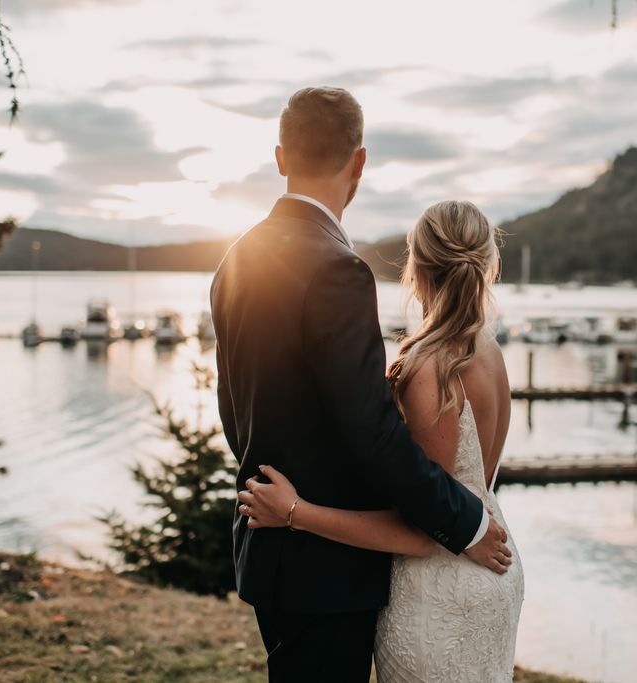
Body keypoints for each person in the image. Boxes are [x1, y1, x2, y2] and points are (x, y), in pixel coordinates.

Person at [209, 86, 512, 682]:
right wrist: (468, 522)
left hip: (272, 547)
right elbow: (370, 428)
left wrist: (269, 488)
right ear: (360, 162)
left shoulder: (235, 260)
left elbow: (232, 406)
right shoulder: (338, 269)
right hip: (329, 567)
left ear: (279, 158)